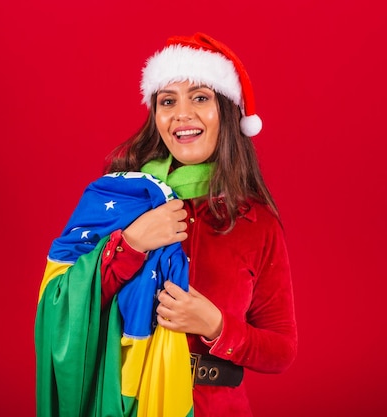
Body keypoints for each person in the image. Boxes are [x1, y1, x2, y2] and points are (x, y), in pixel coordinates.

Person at [36, 32, 297, 417]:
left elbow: (281, 350)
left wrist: (216, 326)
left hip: (217, 406)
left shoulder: (256, 222)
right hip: (126, 402)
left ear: (226, 110)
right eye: (168, 101)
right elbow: (60, 304)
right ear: (155, 115)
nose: (182, 114)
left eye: (201, 97)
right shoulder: (121, 199)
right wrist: (131, 244)